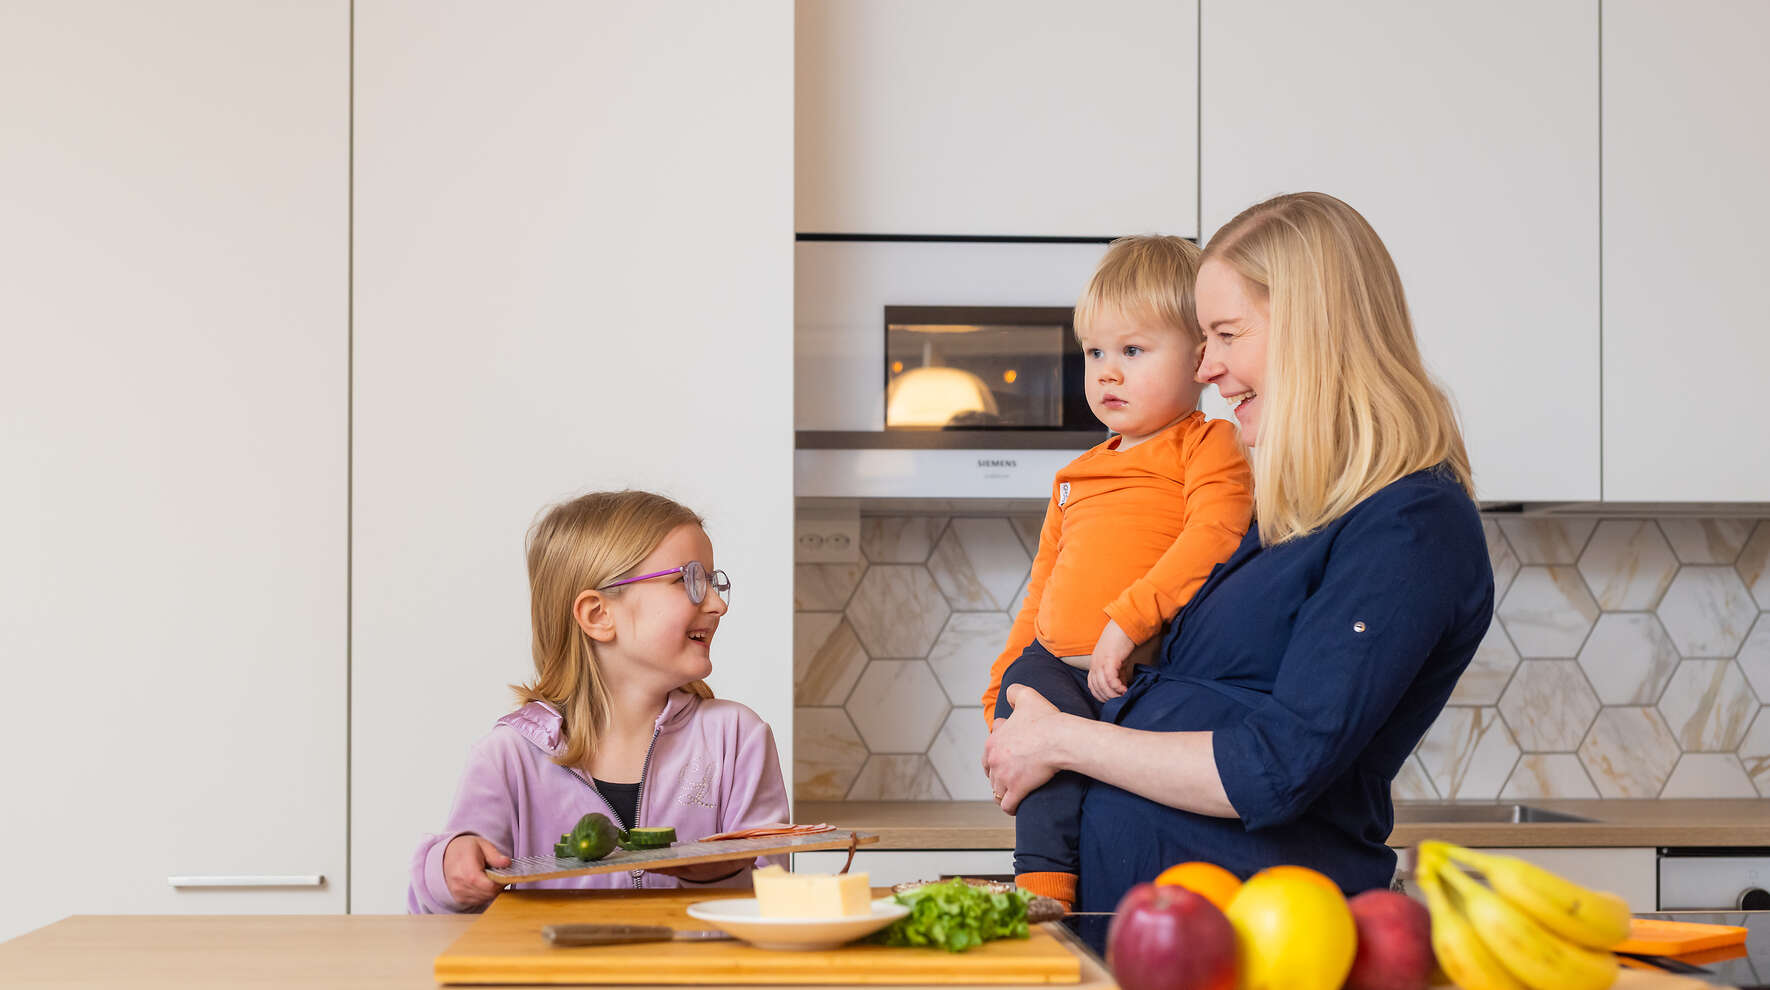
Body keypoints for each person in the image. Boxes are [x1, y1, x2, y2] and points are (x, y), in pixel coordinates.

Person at [982, 192, 1495, 913]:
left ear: (1313, 331)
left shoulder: (1411, 524)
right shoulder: (1283, 514)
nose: (1207, 367)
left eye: (1226, 334)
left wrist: (1060, 741)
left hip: (1265, 945)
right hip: (1157, 934)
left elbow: (1276, 767)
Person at [979, 235, 1256, 910]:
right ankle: (1043, 895)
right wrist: (1001, 692)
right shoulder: (1074, 475)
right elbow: (1041, 587)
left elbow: (1213, 537)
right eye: (1094, 353)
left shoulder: (1207, 444)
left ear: (1199, 358)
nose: (1106, 372)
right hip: (1055, 662)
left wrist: (1128, 619)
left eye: (1132, 351)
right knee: (1034, 714)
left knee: (1098, 784)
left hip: (1137, 669)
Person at [408, 490, 789, 914]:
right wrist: (448, 868)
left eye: (714, 583)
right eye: (689, 581)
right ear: (598, 615)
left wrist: (720, 871)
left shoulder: (736, 739)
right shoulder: (509, 757)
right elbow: (438, 913)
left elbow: (773, 896)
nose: (717, 604)